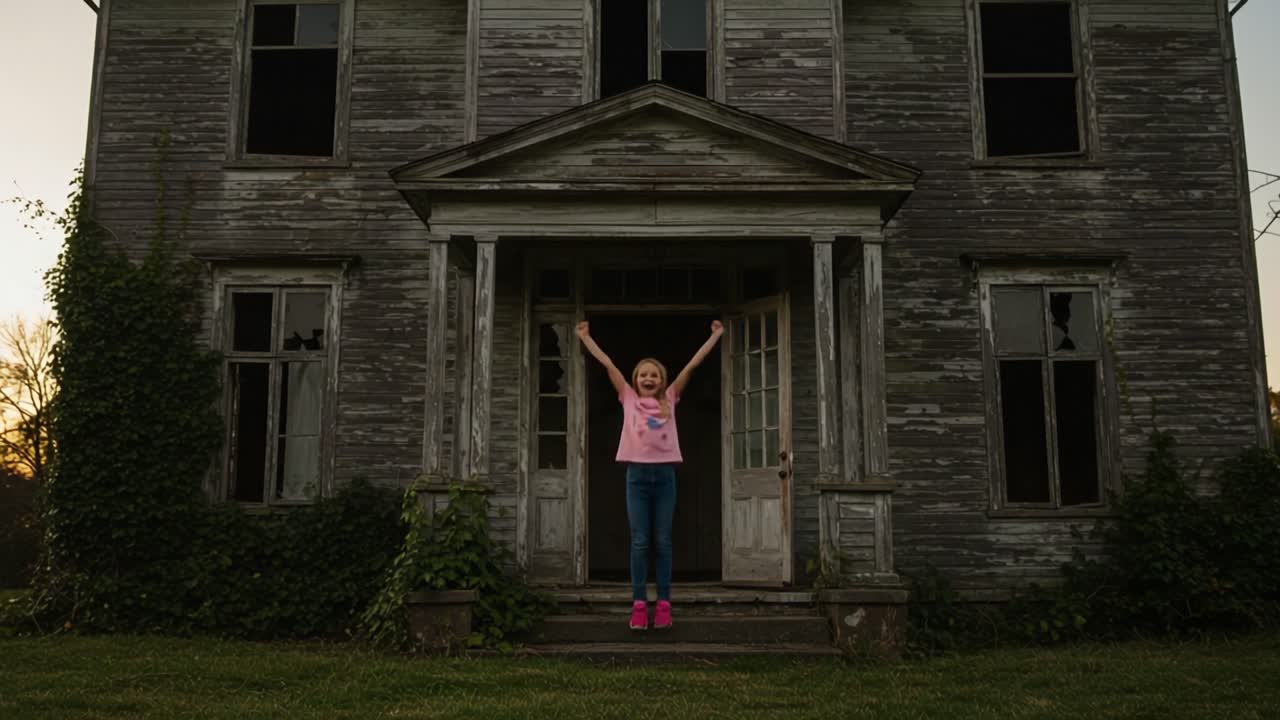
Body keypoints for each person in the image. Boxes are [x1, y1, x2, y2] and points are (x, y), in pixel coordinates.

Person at [575, 319, 725, 630]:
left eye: (654, 375)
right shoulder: (628, 398)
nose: (648, 378)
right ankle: (640, 605)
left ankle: (665, 605)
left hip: (665, 476)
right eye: (643, 374)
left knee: (663, 542)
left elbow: (693, 364)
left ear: (662, 380)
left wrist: (716, 336)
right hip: (637, 477)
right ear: (635, 379)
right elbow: (607, 364)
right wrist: (585, 337)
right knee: (641, 542)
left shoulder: (670, 398)